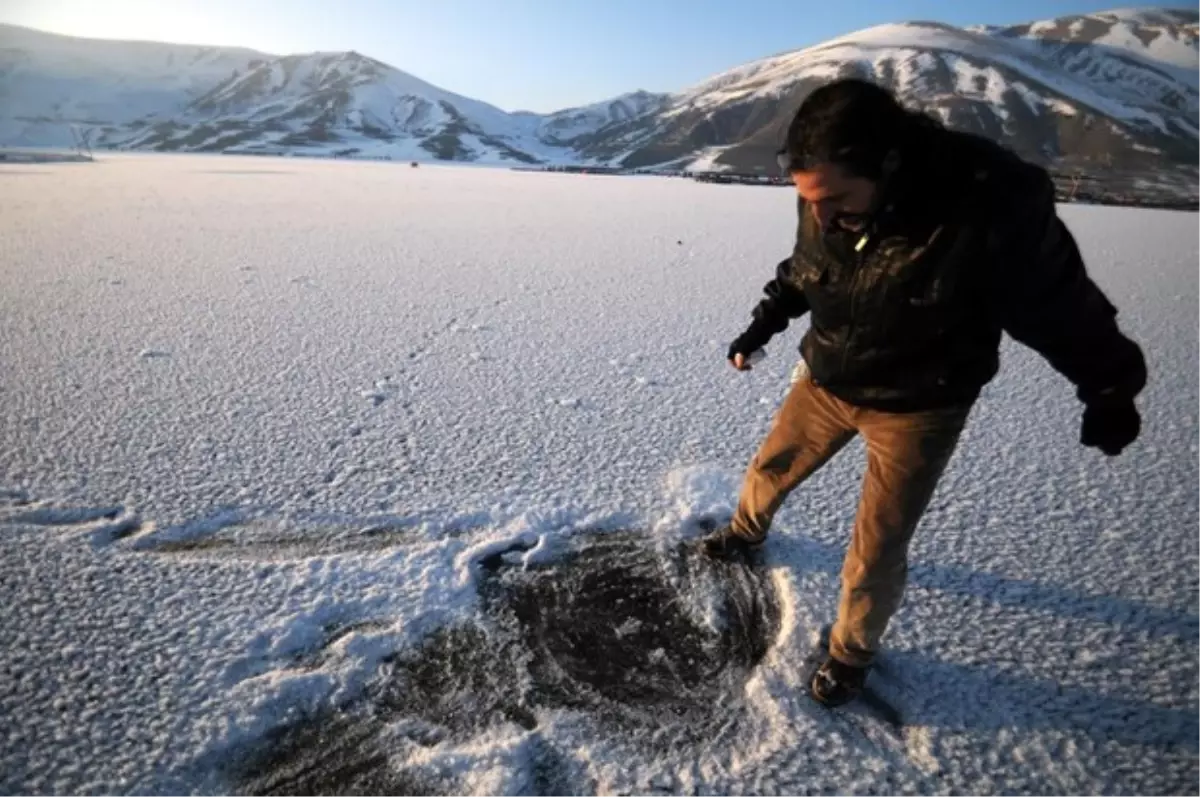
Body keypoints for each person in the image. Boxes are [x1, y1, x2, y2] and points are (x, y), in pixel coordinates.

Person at [701, 79, 1147, 708]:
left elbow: (1061, 306)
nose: (820, 215)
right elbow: (805, 266)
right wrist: (764, 324)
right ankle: (745, 531)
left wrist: (1109, 386)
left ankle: (850, 654)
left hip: (918, 404)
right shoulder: (827, 195)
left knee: (876, 544)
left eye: (834, 201)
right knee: (771, 465)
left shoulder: (986, 213)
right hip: (828, 378)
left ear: (887, 162)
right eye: (808, 201)